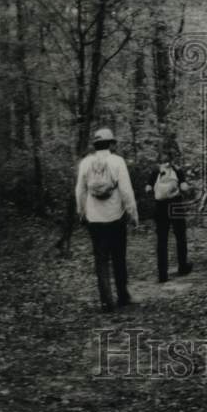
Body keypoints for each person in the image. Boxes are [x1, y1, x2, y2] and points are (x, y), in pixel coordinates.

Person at [75, 127, 139, 311]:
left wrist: (81, 212)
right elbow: (126, 191)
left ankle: (106, 301)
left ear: (95, 144)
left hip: (94, 218)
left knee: (101, 260)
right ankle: (122, 296)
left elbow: (80, 190)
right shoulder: (117, 161)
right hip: (115, 216)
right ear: (111, 144)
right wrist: (133, 214)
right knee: (119, 256)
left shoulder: (86, 162)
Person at [145, 152, 192, 283]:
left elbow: (148, 188)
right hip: (175, 205)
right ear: (172, 158)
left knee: (162, 239)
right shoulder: (177, 170)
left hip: (160, 207)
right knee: (180, 236)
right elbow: (184, 187)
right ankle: (183, 266)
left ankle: (162, 273)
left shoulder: (155, 171)